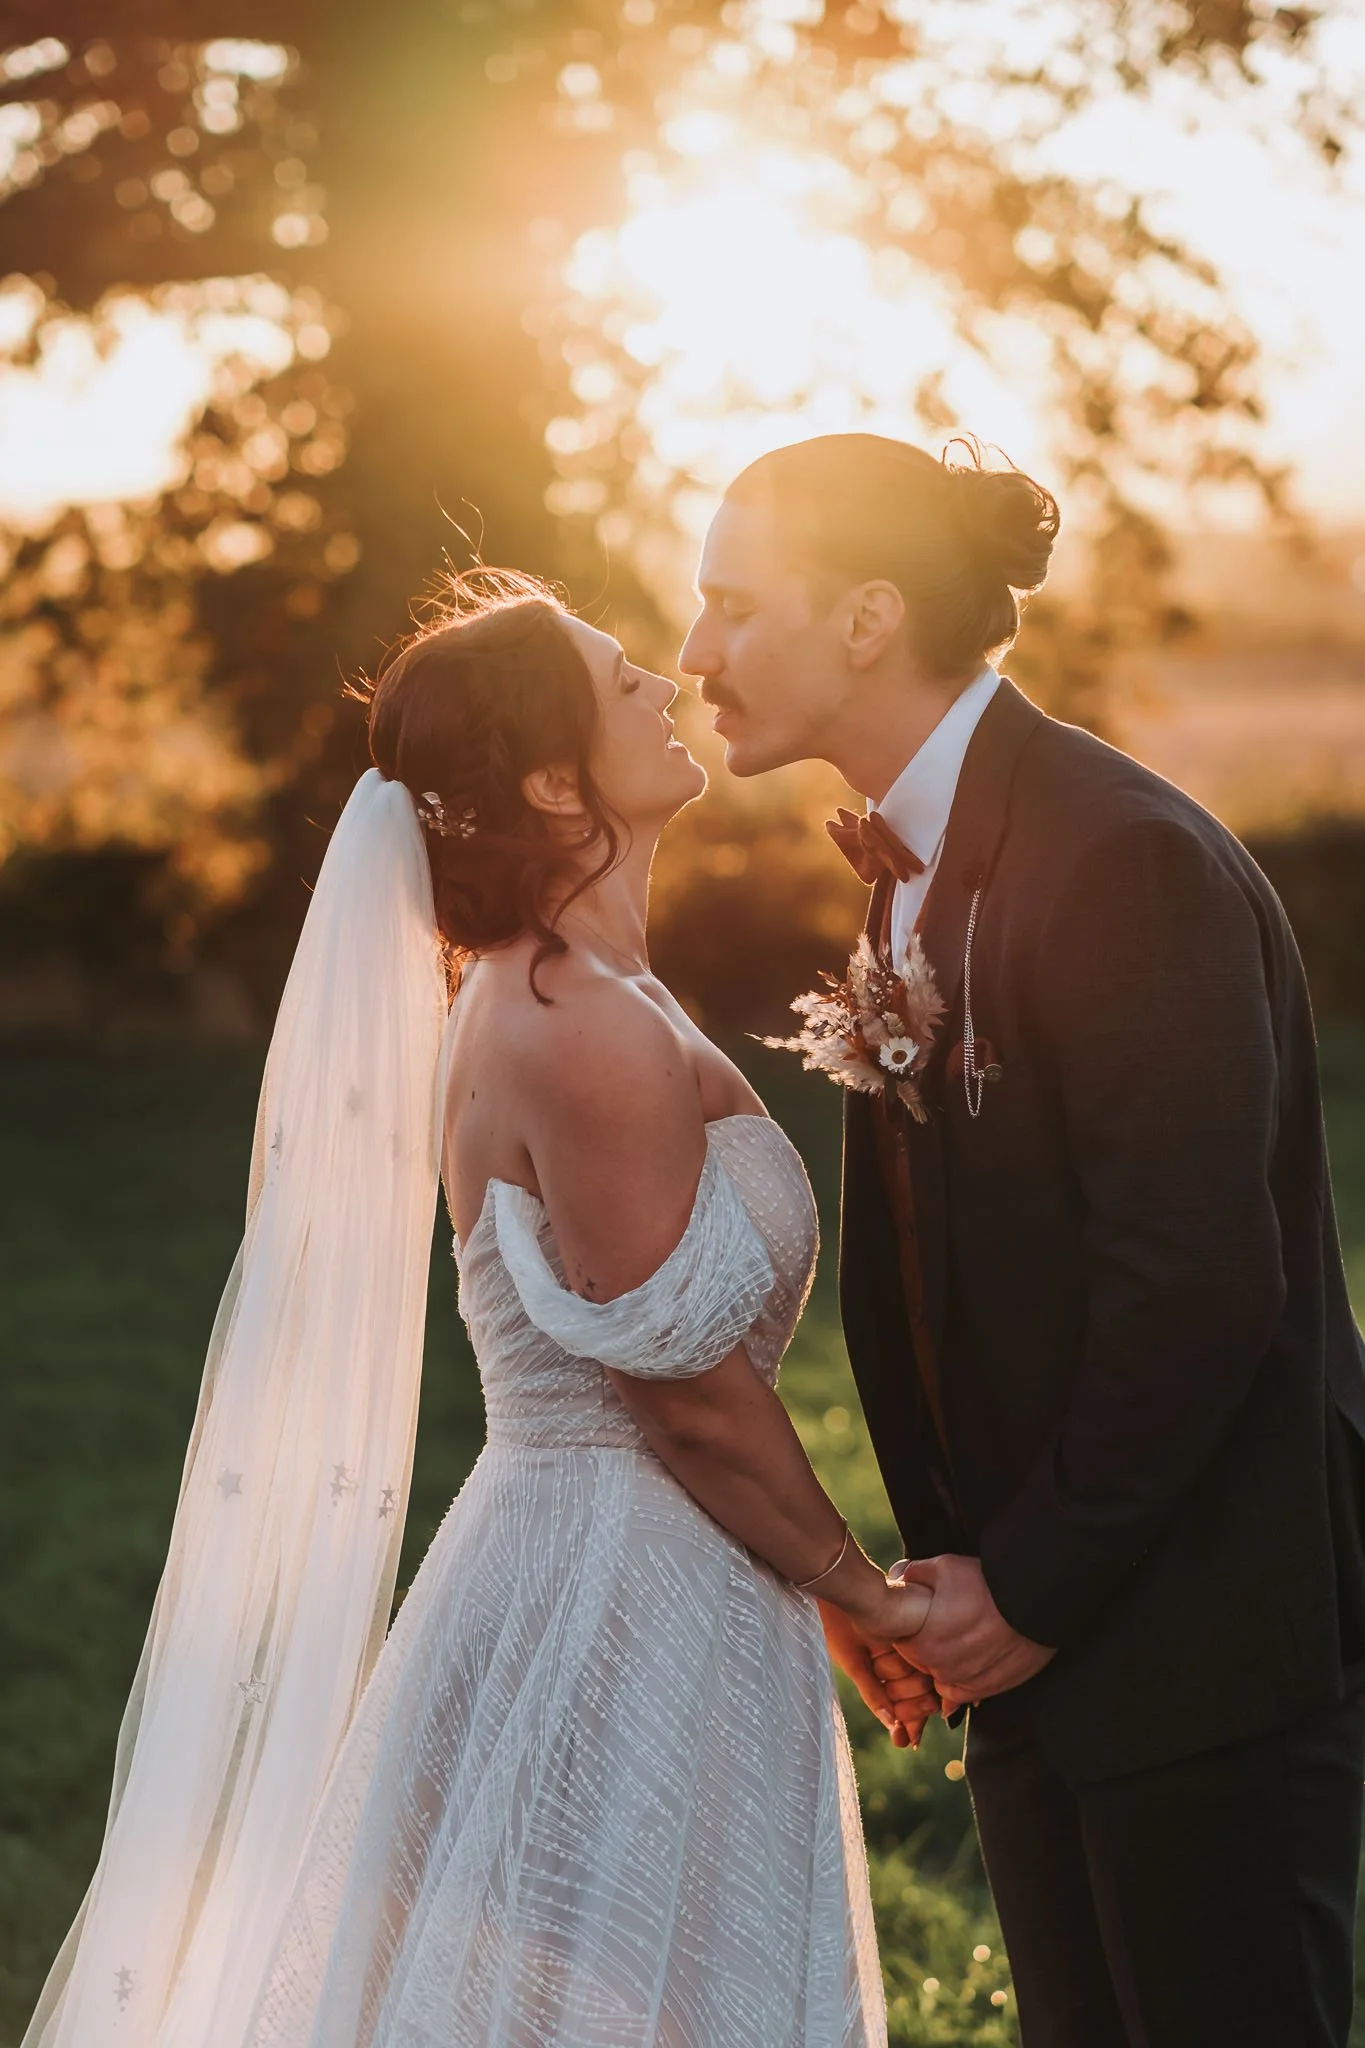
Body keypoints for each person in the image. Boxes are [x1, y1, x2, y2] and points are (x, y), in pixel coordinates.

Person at [23, 568, 935, 2048]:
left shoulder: (599, 991)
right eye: (620, 675)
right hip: (614, 1606)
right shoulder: (568, 1023)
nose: (663, 680)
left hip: (666, 1573)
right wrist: (861, 1588)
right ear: (552, 778)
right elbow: (687, 1396)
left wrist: (801, 1579)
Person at [680, 430, 1365, 2048]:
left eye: (731, 605)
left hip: (1201, 1630)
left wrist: (1029, 1589)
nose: (695, 652)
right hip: (1035, 1631)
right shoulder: (910, 866)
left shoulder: (1119, 859)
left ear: (864, 617)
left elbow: (1194, 1286)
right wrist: (961, 1593)